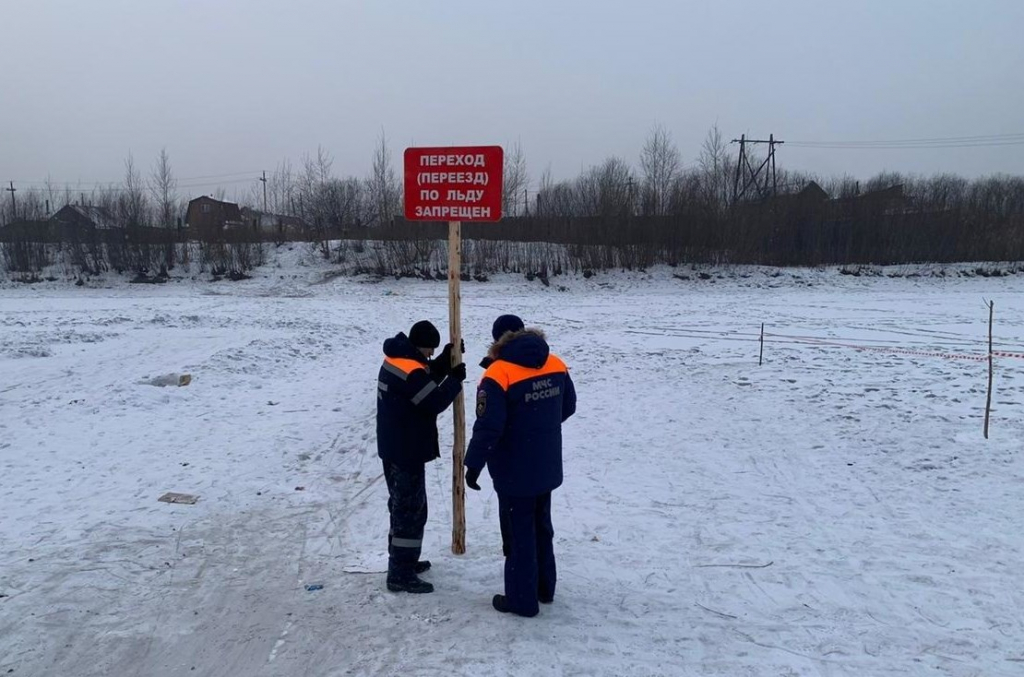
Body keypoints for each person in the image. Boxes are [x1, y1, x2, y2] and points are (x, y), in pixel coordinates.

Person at [464, 315, 576, 616]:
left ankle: (521, 600)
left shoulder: (498, 373)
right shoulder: (554, 362)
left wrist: (473, 464)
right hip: (546, 463)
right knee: (542, 527)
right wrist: (540, 427)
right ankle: (544, 588)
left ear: (497, 340)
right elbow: (568, 406)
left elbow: (489, 427)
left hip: (514, 468)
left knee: (518, 534)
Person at [377, 320, 466, 593]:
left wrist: (445, 360)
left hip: (396, 447)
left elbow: (424, 379)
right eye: (430, 350)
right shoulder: (410, 371)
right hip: (406, 451)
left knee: (402, 508)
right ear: (419, 346)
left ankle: (403, 561)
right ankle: (400, 574)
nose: (431, 355)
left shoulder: (399, 359)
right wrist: (454, 381)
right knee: (410, 512)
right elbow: (433, 400)